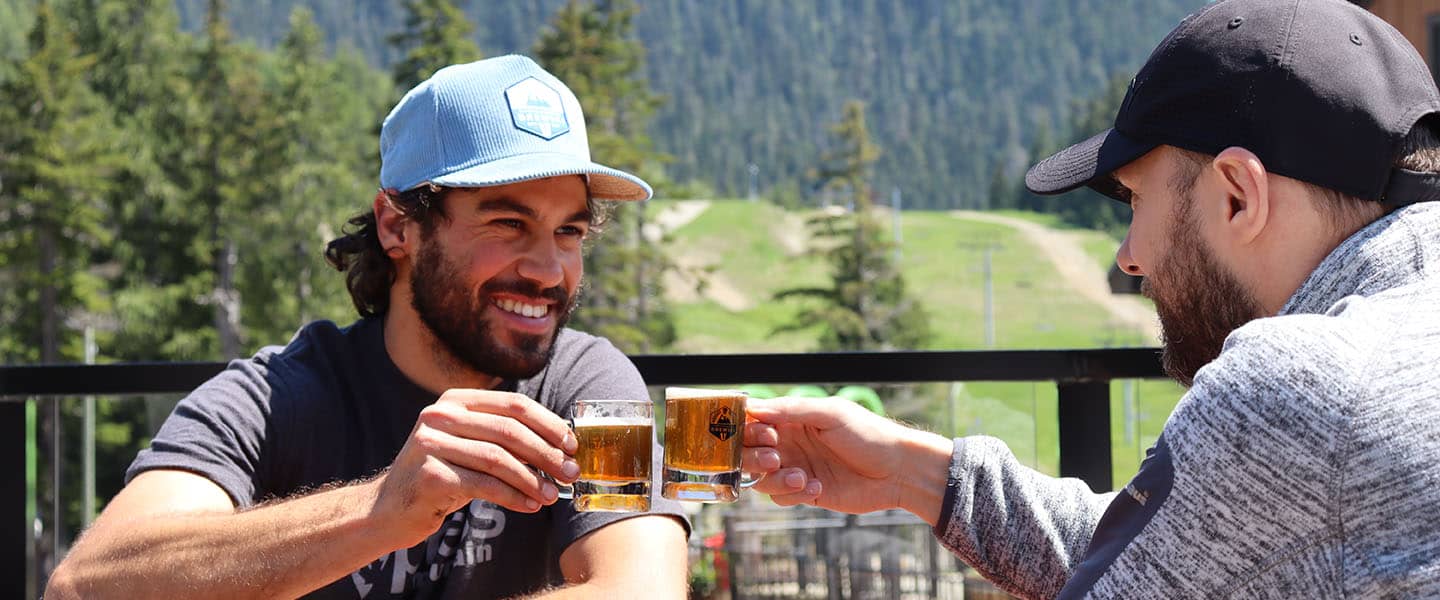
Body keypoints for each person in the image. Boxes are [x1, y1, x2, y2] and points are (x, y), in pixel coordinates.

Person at [742, 0, 1440, 597]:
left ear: (1238, 196)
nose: (1129, 255)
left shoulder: (1303, 387)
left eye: (1136, 199)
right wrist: (920, 475)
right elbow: (1193, 553)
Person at [45, 55, 689, 599]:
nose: (549, 271)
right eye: (507, 224)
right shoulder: (278, 395)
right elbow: (84, 586)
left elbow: (641, 588)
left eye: (569, 231)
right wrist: (379, 510)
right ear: (396, 226)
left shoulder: (587, 385)